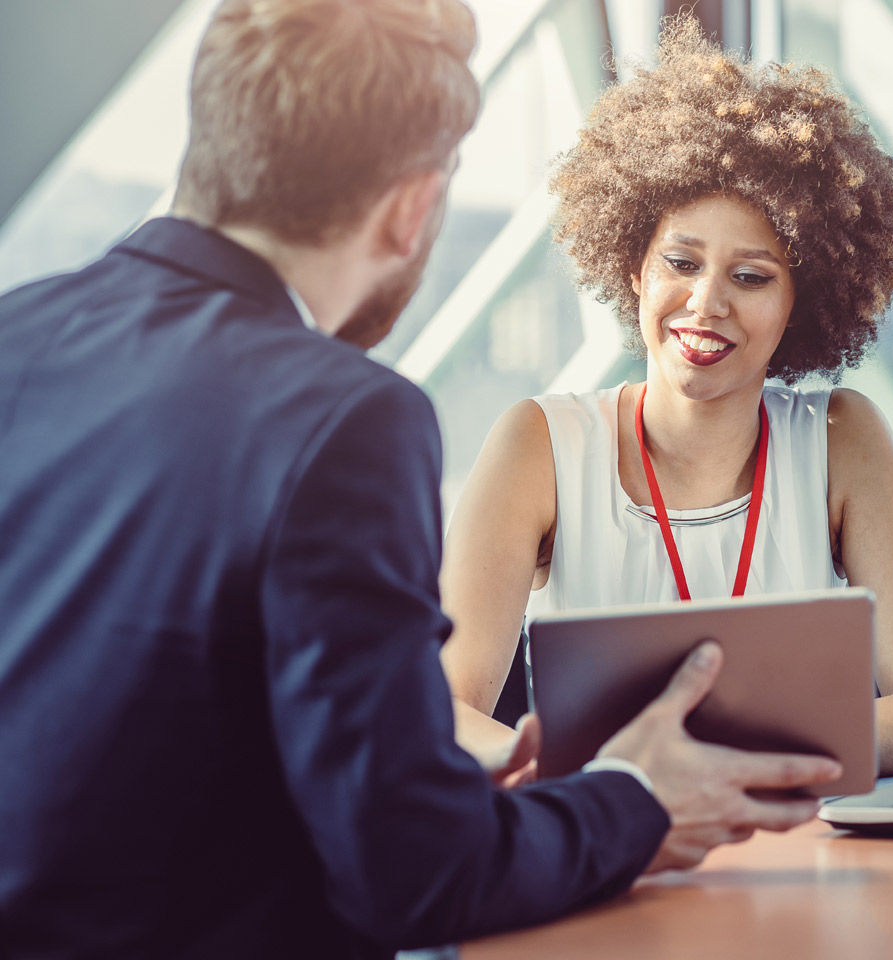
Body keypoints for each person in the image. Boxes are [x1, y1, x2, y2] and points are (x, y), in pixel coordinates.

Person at [0, 2, 843, 957]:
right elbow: (418, 877)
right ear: (412, 208)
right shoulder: (343, 421)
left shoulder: (13, 334)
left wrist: (422, 780)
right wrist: (634, 798)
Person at [441, 16, 893, 777]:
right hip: (610, 850)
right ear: (634, 269)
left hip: (800, 860)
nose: (705, 303)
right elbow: (447, 711)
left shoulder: (842, 437)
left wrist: (705, 766)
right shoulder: (539, 445)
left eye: (751, 277)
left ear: (802, 301)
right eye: (680, 263)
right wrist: (615, 775)